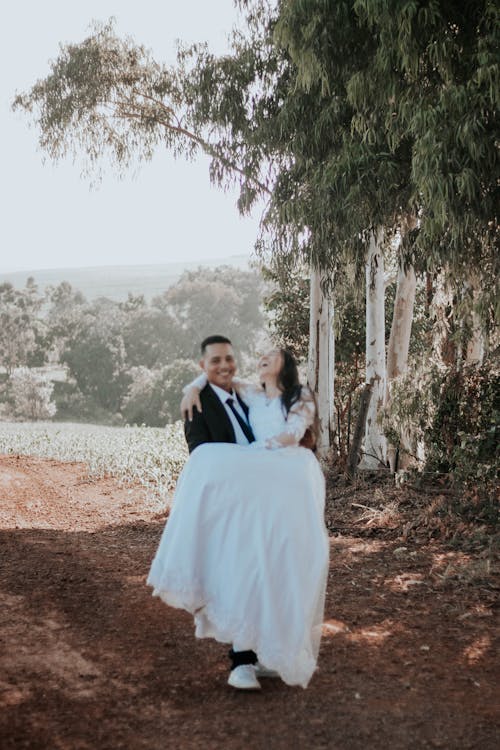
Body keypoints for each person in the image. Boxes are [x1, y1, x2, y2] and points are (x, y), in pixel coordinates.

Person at [147, 337, 329, 690]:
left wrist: (259, 452)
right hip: (243, 497)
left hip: (286, 489)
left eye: (269, 356)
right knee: (244, 567)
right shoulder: (243, 396)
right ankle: (242, 660)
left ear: (286, 364)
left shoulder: (294, 396)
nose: (228, 365)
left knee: (277, 567)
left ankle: (269, 650)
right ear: (203, 364)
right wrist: (193, 385)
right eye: (215, 361)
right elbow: (202, 448)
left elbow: (293, 433)